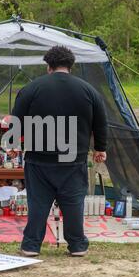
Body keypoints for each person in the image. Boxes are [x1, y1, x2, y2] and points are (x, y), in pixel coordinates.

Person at [12, 45, 108, 257]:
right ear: (71, 66)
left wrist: (13, 146)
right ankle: (77, 246)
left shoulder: (31, 88)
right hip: (74, 159)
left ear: (49, 66)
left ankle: (31, 245)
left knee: (37, 203)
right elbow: (101, 122)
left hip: (39, 158)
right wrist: (100, 148)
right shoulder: (89, 91)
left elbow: (15, 121)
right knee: (74, 203)